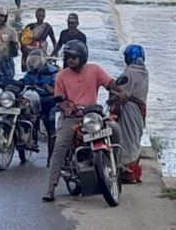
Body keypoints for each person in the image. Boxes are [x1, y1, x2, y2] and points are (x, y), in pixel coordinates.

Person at [43, 40, 125, 202]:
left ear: (82, 57)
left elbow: (110, 83)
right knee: (60, 145)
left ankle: (115, 164)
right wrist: (66, 108)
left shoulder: (94, 70)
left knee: (114, 129)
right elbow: (59, 100)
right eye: (68, 57)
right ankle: (51, 187)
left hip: (92, 115)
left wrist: (122, 91)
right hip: (71, 117)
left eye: (74, 57)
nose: (70, 60)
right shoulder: (61, 76)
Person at [113, 45, 149, 183]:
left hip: (129, 110)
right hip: (140, 110)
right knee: (134, 139)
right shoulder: (145, 72)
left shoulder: (129, 74)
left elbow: (119, 91)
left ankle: (127, 171)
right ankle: (132, 171)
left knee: (126, 140)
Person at [21, 49, 59, 164]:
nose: (33, 64)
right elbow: (24, 81)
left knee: (51, 129)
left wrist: (50, 89)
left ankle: (51, 158)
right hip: (34, 100)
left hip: (49, 102)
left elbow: (57, 88)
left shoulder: (53, 72)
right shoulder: (30, 73)